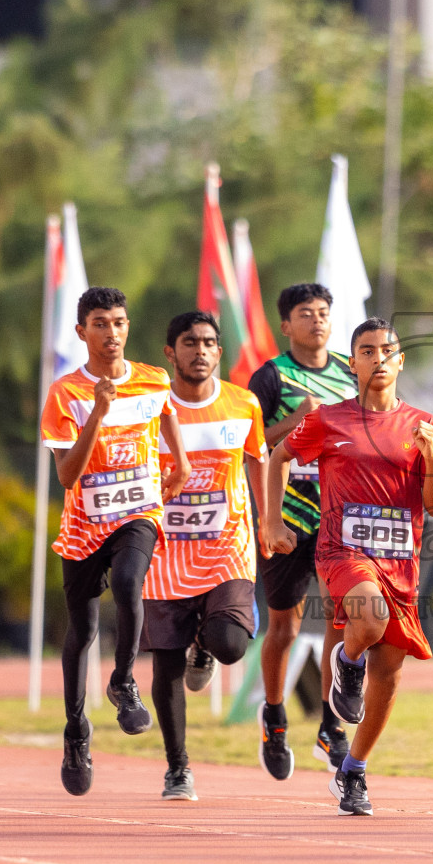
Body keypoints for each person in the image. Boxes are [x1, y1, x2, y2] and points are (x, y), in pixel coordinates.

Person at [262, 318, 433, 816]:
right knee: (368, 620)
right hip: (342, 552)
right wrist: (272, 521)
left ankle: (355, 772)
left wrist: (432, 463)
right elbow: (279, 455)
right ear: (354, 362)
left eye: (388, 351)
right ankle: (346, 664)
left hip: (400, 561)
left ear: (400, 360)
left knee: (388, 673)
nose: (379, 359)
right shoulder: (329, 419)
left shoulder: (424, 425)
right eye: (367, 351)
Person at [41, 286, 188, 796]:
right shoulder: (66, 394)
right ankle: (76, 732)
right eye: (100, 324)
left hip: (137, 513)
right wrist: (98, 415)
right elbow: (66, 475)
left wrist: (181, 458)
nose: (112, 333)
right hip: (84, 525)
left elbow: (165, 411)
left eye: (119, 323)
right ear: (82, 332)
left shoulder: (152, 378)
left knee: (130, 584)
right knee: (80, 633)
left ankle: (123, 682)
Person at [141, 312, 268, 801]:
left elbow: (258, 459)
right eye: (190, 342)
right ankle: (178, 768)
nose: (201, 351)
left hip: (226, 548)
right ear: (170, 352)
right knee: (167, 666)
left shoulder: (242, 404)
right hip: (163, 552)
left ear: (219, 351)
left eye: (210, 343)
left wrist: (268, 519)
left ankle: (206, 644)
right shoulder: (148, 408)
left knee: (232, 644)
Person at [246, 283, 359, 779]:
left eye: (323, 312)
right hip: (288, 516)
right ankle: (273, 715)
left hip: (339, 514)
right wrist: (296, 420)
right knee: (286, 626)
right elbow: (249, 440)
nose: (316, 320)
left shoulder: (349, 372)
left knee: (343, 618)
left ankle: (332, 725)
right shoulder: (272, 376)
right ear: (285, 325)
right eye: (304, 314)